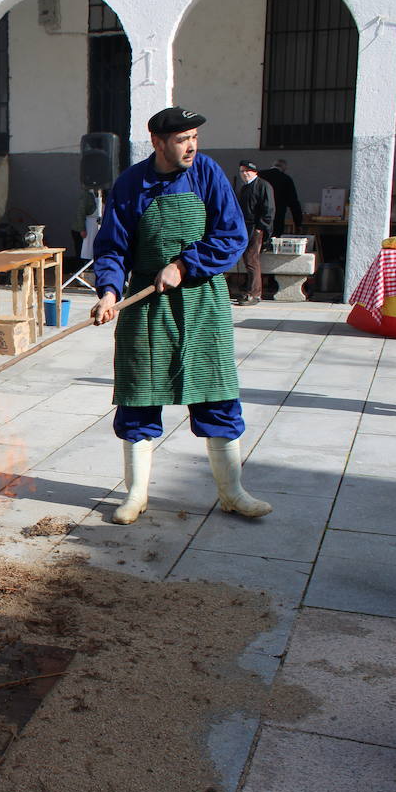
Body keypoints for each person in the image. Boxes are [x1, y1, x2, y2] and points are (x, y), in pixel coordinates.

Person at [89, 106, 271, 525]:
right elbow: (113, 247)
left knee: (216, 393)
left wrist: (185, 265)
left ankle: (233, 493)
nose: (190, 146)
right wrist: (110, 292)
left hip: (203, 303)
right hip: (147, 306)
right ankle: (136, 495)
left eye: (194, 138)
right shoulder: (131, 184)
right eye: (181, 139)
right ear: (157, 142)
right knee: (139, 397)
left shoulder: (207, 174)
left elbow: (231, 235)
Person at [233, 159, 274, 305]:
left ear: (254, 172)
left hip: (256, 228)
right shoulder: (244, 188)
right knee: (247, 260)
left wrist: (261, 227)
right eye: (242, 172)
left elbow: (268, 209)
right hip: (244, 227)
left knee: (252, 260)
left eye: (247, 171)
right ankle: (249, 290)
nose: (244, 174)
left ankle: (255, 293)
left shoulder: (263, 186)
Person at [258, 158, 303, 237]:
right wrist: (298, 223)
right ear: (284, 168)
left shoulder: (259, 175)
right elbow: (293, 202)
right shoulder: (286, 179)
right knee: (274, 242)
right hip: (277, 216)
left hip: (258, 216)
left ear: (272, 166)